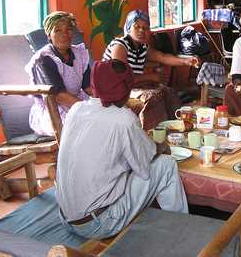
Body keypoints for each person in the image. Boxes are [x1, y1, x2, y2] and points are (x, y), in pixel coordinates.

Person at [56, 59, 188, 239]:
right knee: (166, 165)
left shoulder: (77, 109)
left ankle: (169, 222)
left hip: (65, 218)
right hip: (99, 224)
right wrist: (161, 147)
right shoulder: (123, 119)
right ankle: (181, 228)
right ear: (127, 88)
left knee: (124, 165)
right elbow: (143, 168)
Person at [103, 10, 199, 130]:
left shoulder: (142, 47)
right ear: (128, 27)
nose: (141, 31)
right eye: (137, 27)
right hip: (115, 90)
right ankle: (151, 133)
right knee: (153, 97)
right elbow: (122, 79)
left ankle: (176, 128)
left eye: (145, 28)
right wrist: (151, 77)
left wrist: (186, 61)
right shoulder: (120, 46)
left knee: (169, 92)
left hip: (131, 87)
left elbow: (162, 57)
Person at [25, 11, 91, 136]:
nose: (64, 34)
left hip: (76, 103)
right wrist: (89, 109)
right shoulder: (43, 59)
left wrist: (105, 101)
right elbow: (58, 96)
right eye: (58, 30)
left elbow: (88, 87)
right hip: (51, 111)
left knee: (105, 116)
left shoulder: (80, 54)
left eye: (68, 30)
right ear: (49, 35)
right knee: (86, 125)